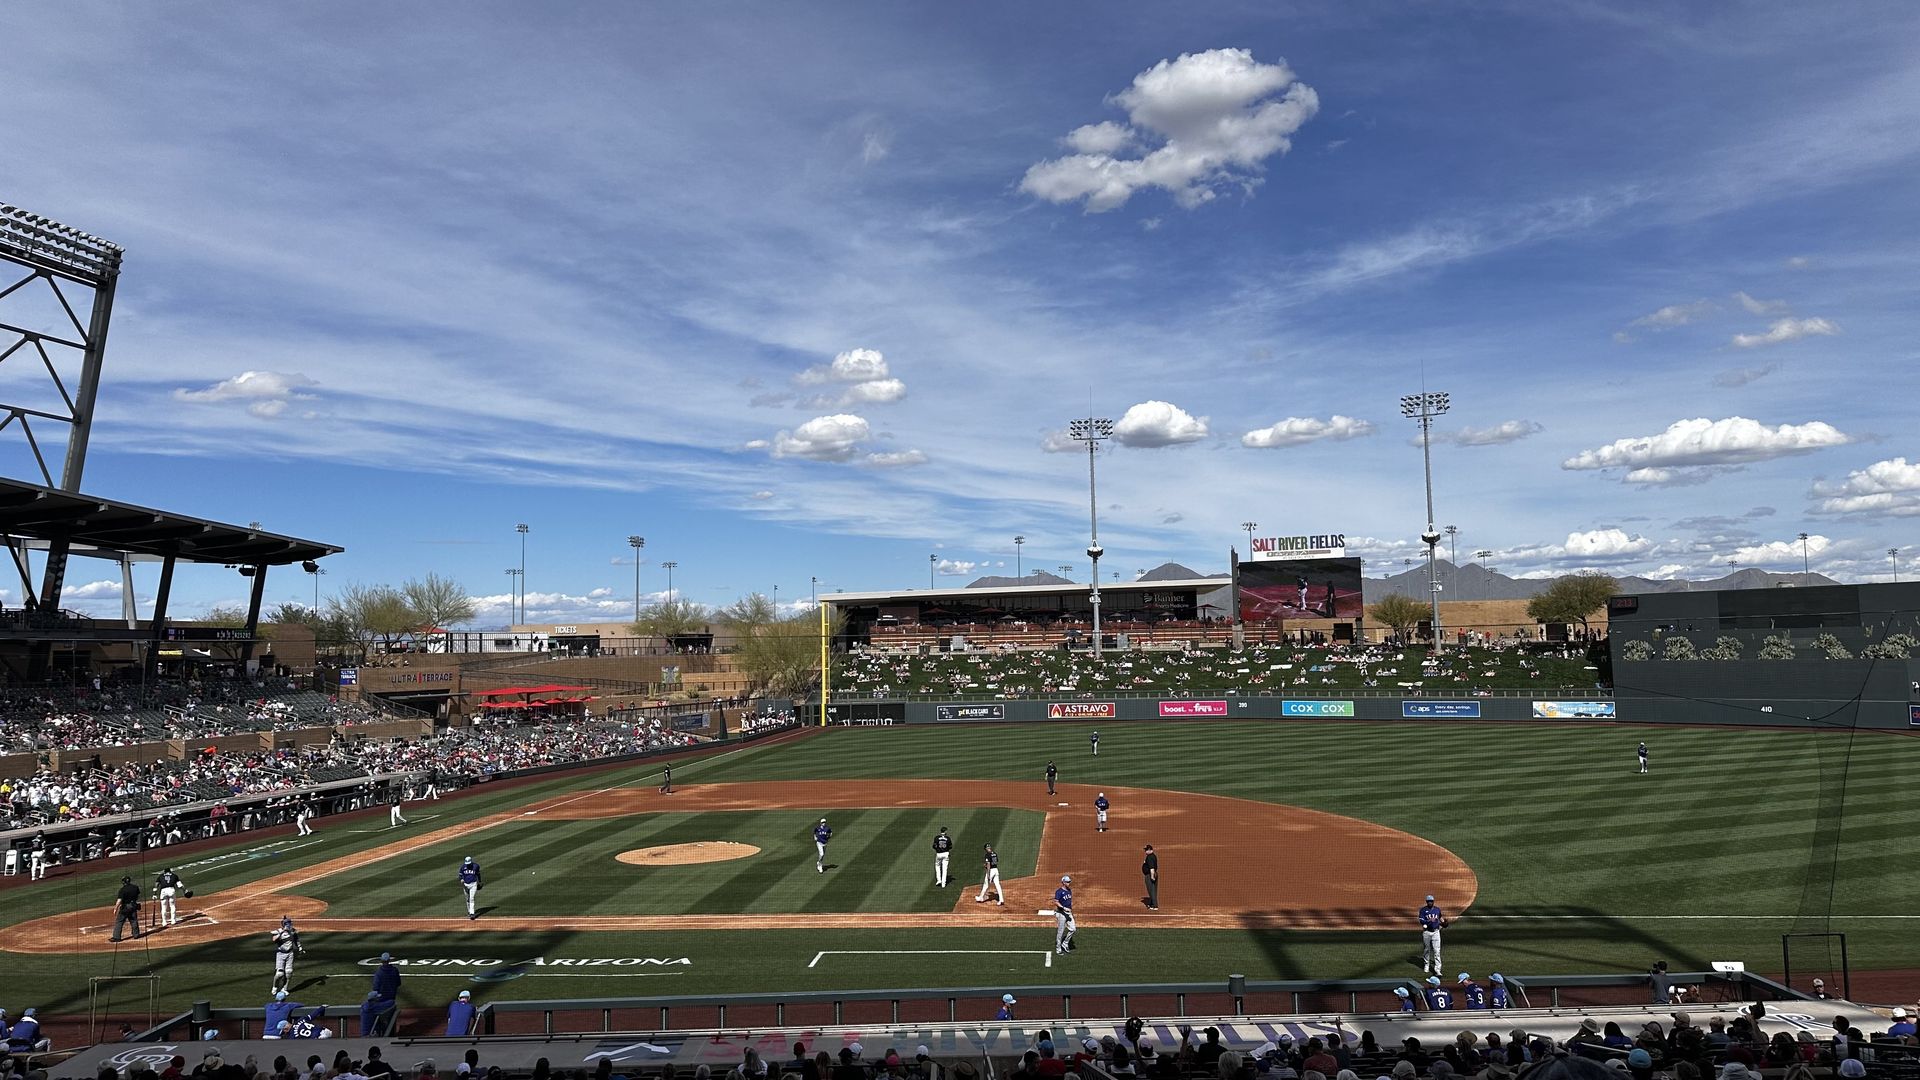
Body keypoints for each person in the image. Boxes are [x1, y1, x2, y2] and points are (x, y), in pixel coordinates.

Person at [272, 917, 305, 992]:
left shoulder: (293, 931)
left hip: (290, 954)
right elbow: (274, 939)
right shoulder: (278, 931)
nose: (290, 925)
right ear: (284, 925)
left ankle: (285, 989)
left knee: (289, 972)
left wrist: (300, 948)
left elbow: (296, 940)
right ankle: (275, 987)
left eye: (290, 924)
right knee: (279, 974)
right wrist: (282, 932)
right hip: (281, 954)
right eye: (288, 924)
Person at [1418, 895, 1447, 976]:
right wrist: (1429, 921)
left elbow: (1440, 917)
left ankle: (1438, 969)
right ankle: (1426, 964)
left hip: (1436, 932)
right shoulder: (1423, 910)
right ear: (1426, 902)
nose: (1430, 902)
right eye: (1428, 901)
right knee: (1426, 950)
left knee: (1437, 951)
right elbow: (1421, 921)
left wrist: (1443, 922)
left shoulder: (1437, 909)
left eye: (1431, 901)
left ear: (1433, 901)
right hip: (1426, 932)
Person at [110, 875, 142, 942]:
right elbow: (137, 896)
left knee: (119, 921)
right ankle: (136, 935)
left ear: (123, 882)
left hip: (125, 907)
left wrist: (116, 908)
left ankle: (116, 937)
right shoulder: (135, 887)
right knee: (133, 920)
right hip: (133, 905)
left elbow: (119, 900)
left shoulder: (122, 890)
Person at [1053, 875, 1077, 955]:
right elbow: (1056, 902)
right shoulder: (1059, 892)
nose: (1069, 883)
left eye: (1069, 881)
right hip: (1061, 914)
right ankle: (1058, 948)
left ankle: (1065, 943)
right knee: (1060, 932)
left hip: (1068, 913)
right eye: (1067, 882)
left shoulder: (1069, 890)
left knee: (1073, 929)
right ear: (1063, 882)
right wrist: (1064, 908)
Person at [1141, 845, 1159, 910]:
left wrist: (1152, 876)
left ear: (1150, 850)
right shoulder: (1153, 856)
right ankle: (1151, 904)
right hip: (1153, 874)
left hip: (1150, 875)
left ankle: (1155, 905)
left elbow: (1151, 868)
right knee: (1153, 889)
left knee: (1151, 890)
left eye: (1146, 850)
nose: (1145, 851)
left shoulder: (1149, 857)